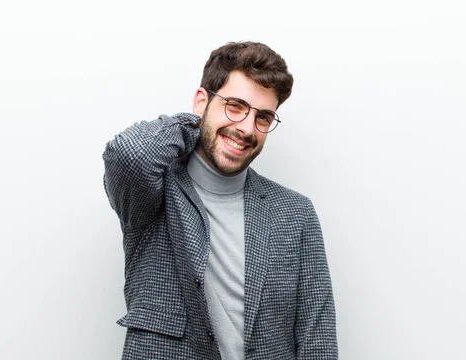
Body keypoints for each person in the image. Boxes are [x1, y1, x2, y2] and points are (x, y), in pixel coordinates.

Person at [103, 41, 338, 360]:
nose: (246, 128)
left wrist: (221, 119)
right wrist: (196, 124)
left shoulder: (296, 213)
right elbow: (129, 154)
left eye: (263, 117)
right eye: (235, 105)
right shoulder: (154, 194)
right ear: (202, 101)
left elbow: (317, 338)